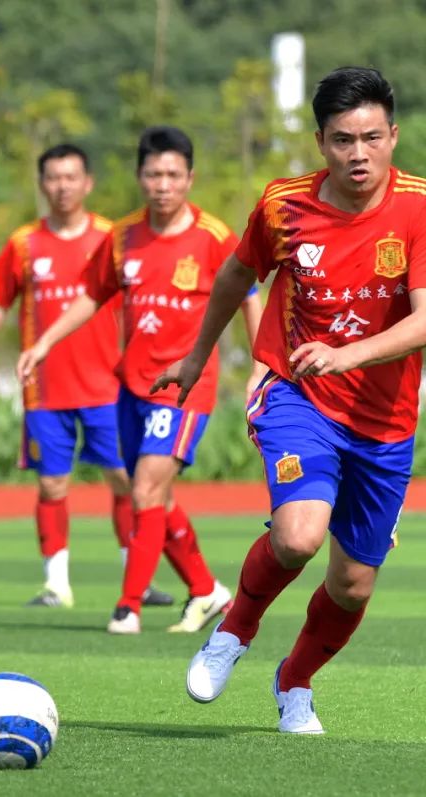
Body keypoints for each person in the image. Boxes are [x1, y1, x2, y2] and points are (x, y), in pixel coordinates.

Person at [160, 67, 426, 734]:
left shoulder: (419, 207)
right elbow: (235, 275)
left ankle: (294, 680)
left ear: (393, 136)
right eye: (343, 140)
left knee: (353, 584)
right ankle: (234, 630)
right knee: (299, 534)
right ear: (320, 142)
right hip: (297, 396)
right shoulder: (284, 206)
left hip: (386, 424)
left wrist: (350, 353)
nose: (358, 154)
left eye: (371, 138)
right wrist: (196, 357)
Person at [18, 126, 262, 635]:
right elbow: (91, 294)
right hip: (132, 388)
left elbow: (248, 297)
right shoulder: (123, 236)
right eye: (154, 174)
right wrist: (44, 343)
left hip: (186, 386)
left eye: (173, 174)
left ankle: (127, 606)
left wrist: (261, 368)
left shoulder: (215, 237)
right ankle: (206, 591)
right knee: (155, 498)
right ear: (139, 177)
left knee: (146, 487)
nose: (163, 185)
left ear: (190, 178)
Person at [0, 143, 173, 610]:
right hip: (45, 389)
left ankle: (136, 579)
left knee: (125, 479)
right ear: (42, 184)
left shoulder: (113, 237)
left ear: (87, 183)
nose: (62, 186)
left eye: (71, 177)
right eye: (53, 178)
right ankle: (56, 584)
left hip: (108, 386)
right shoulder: (24, 243)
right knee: (52, 484)